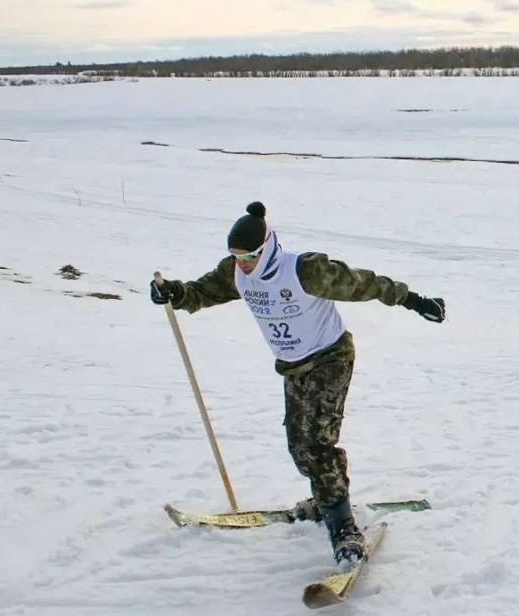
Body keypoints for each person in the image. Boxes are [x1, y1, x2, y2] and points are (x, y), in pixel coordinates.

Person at [148, 202, 446, 571]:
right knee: (298, 447)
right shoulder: (235, 273)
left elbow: (364, 283)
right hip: (293, 366)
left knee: (318, 444)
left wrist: (414, 300)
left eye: (251, 256)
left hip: (331, 358)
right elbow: (201, 292)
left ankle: (344, 529)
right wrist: (175, 293)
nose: (244, 263)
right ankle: (325, 500)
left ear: (269, 245)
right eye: (237, 257)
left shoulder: (305, 270)